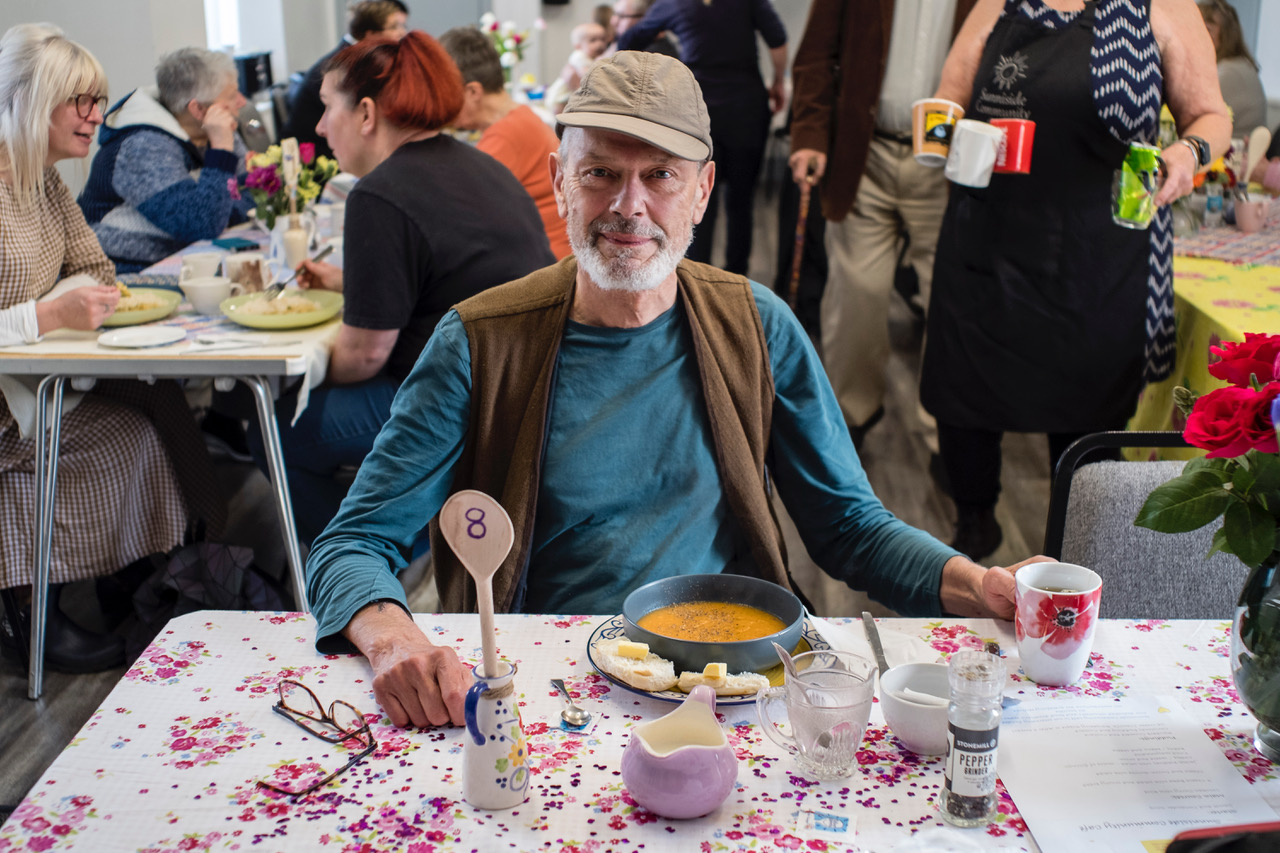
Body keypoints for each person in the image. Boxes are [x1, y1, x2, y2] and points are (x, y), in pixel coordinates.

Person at [304, 52, 1028, 729]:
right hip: (553, 687)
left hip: (730, 686)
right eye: (599, 175)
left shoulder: (758, 327)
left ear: (703, 190)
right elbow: (352, 542)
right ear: (559, 179)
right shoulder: (479, 342)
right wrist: (394, 639)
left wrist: (978, 585)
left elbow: (849, 527)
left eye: (661, 175)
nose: (629, 205)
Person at [920, 0, 1231, 561]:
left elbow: (1212, 116)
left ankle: (1076, 568)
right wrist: (945, 134)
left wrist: (1189, 150)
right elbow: (950, 96)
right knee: (964, 402)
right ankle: (974, 529)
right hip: (986, 244)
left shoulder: (1158, 8)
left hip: (1096, 258)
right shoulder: (999, 3)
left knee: (1086, 426)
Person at [252, 31, 555, 545]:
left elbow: (366, 356)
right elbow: (445, 275)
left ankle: (373, 556)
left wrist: (304, 380)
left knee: (272, 430)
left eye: (328, 109)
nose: (322, 127)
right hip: (526, 386)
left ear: (366, 114)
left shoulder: (379, 195)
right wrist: (355, 286)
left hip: (460, 403)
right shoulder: (477, 163)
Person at [0, 24, 196, 672]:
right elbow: (65, 293)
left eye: (99, 99)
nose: (96, 116)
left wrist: (63, 304)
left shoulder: (45, 181)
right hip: (10, 397)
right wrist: (48, 312)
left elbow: (97, 266)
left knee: (148, 415)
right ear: (31, 99)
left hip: (26, 379)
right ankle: (30, 611)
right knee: (127, 433)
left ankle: (138, 586)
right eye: (79, 100)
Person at [790, 0, 977, 454]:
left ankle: (945, 438)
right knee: (857, 297)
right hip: (866, 156)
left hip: (952, 165)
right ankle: (850, 422)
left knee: (949, 304)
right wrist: (810, 136)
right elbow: (816, 57)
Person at [617, 0, 787, 275]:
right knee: (741, 201)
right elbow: (777, 40)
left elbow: (630, 39)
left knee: (698, 196)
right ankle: (736, 276)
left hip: (698, 111)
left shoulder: (673, 3)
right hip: (747, 108)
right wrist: (779, 80)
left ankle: (697, 277)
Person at [77, 47, 254, 273]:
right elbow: (203, 224)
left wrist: (220, 210)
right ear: (198, 109)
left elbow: (255, 194)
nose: (241, 102)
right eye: (231, 97)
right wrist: (220, 151)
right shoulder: (143, 146)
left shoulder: (218, 128)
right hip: (123, 272)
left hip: (186, 262)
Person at [439, 27, 572, 259]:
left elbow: (455, 213)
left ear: (472, 92)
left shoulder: (505, 136)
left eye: (445, 94)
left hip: (543, 265)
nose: (441, 104)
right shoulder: (519, 117)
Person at [283, 0, 410, 160]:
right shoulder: (346, 67)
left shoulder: (360, 58)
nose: (402, 33)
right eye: (394, 27)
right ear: (370, 34)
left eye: (402, 26)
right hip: (318, 158)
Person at [1198, 0, 1265, 136]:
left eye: (1207, 29)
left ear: (1226, 35)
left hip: (1235, 152)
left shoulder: (1228, 72)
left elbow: (1198, 119)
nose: (1197, 34)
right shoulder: (1239, 64)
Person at [546, 22, 609, 115]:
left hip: (571, 96)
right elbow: (586, 75)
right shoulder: (579, 56)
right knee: (559, 114)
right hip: (560, 95)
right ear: (578, 46)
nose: (599, 44)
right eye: (593, 40)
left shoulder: (592, 57)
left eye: (602, 39)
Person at [609, 0, 679, 58]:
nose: (613, 21)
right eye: (614, 14)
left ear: (646, 18)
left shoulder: (655, 57)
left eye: (621, 16)